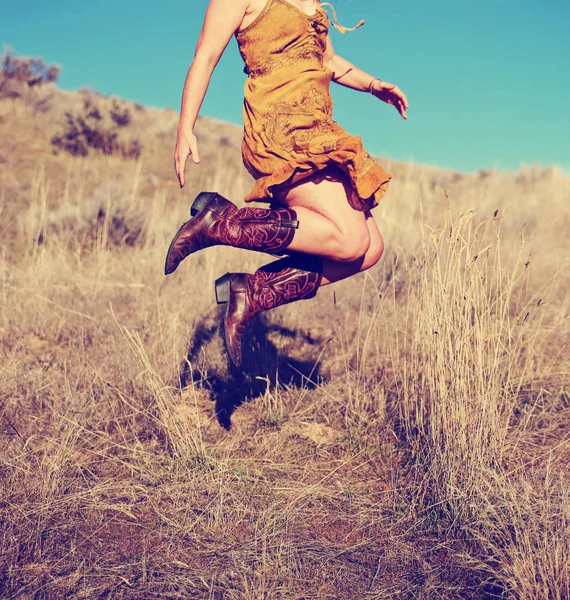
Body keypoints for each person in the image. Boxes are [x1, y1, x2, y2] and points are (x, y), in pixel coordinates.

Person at [165, 0, 408, 367]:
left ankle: (252, 292)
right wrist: (186, 128)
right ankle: (221, 223)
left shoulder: (314, 5)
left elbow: (328, 63)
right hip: (281, 127)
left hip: (319, 129)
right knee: (350, 240)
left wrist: (373, 85)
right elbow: (205, 56)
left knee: (370, 249)